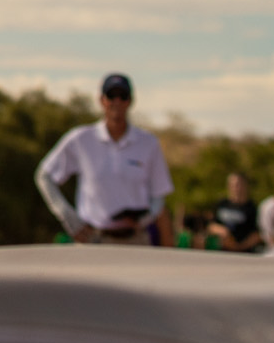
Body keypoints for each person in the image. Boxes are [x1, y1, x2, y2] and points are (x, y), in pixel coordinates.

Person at [35, 74, 175, 246]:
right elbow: (44, 175)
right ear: (102, 100)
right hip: (93, 240)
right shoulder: (80, 139)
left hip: (137, 241)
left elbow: (159, 195)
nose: (117, 101)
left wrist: (148, 216)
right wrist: (67, 215)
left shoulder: (148, 143)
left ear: (130, 101)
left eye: (123, 96)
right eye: (111, 96)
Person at [207, 173, 262, 253]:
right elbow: (211, 225)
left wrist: (239, 247)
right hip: (221, 251)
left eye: (238, 185)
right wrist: (223, 232)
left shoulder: (252, 208)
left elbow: (257, 234)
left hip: (244, 253)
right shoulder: (222, 204)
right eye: (232, 185)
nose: (236, 188)